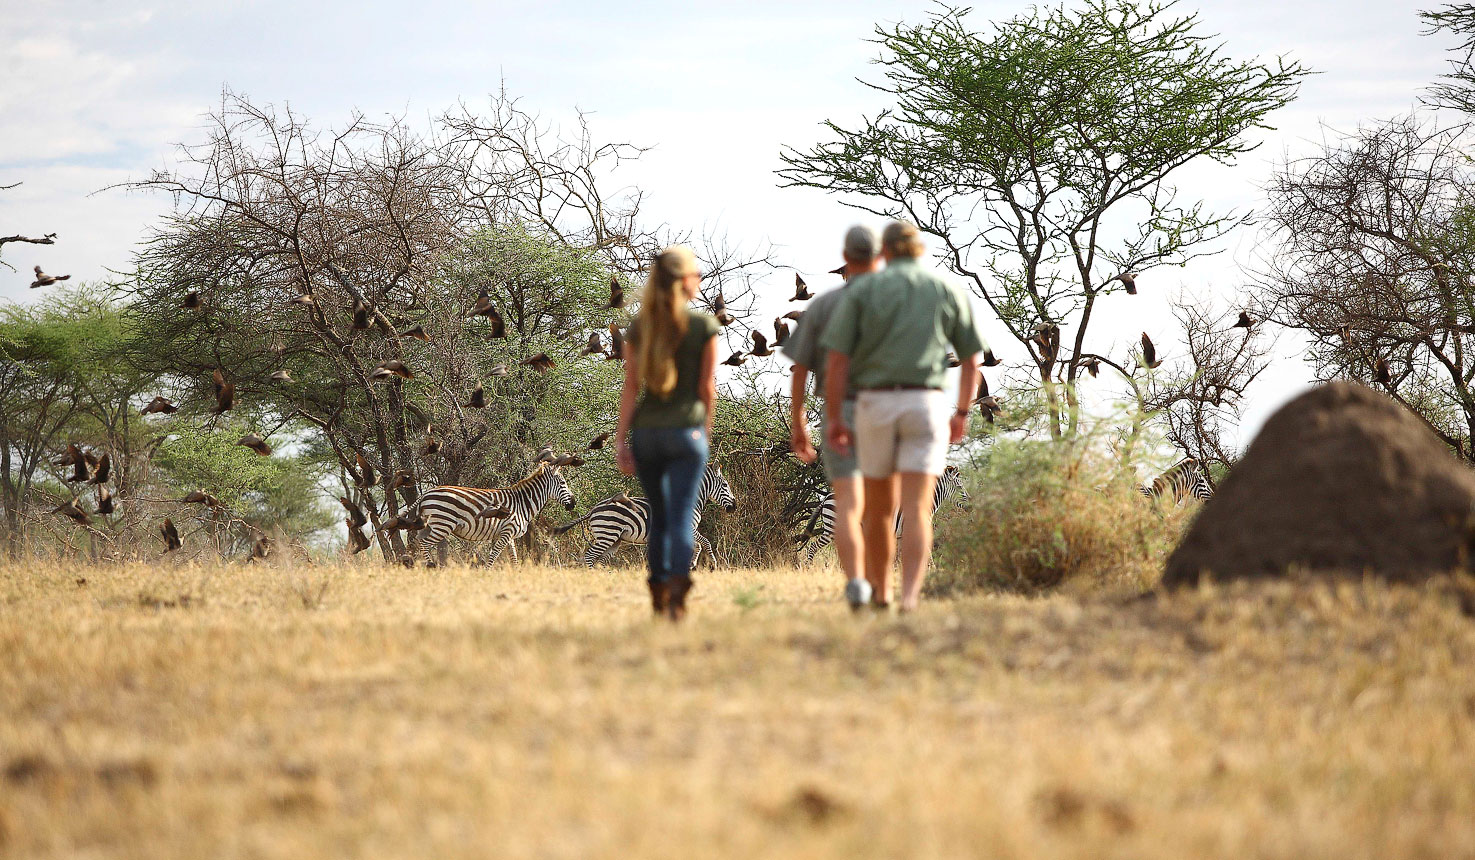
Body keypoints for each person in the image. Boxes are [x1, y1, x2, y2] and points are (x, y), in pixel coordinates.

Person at [820, 221, 985, 612]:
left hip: (874, 405)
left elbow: (838, 360)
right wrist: (961, 411)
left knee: (878, 512)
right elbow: (971, 358)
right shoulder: (945, 289)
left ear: (884, 253)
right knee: (917, 510)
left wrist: (834, 417)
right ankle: (910, 596)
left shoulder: (865, 290)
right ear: (919, 251)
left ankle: (882, 592)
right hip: (926, 405)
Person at [615, 246, 720, 621]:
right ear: (686, 281)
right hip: (686, 433)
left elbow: (631, 387)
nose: (700, 281)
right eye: (698, 275)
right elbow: (707, 388)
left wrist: (620, 441)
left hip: (647, 435)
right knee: (681, 516)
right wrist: (703, 433)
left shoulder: (640, 326)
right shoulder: (703, 326)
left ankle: (657, 590)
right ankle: (678, 593)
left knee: (658, 517)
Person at [782, 225, 881, 610]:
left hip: (839, 411)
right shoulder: (895, 303)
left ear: (846, 265)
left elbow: (800, 368)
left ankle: (855, 582)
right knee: (883, 505)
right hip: (884, 410)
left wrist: (798, 421)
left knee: (846, 501)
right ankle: (879, 584)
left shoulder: (823, 306)